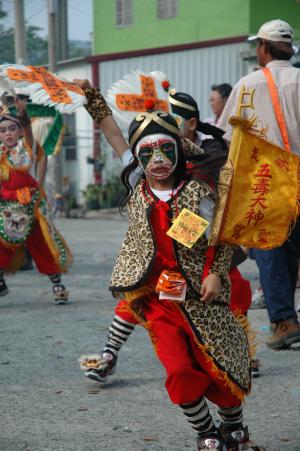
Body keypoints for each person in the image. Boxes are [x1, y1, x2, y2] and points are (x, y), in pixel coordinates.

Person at [76, 80, 261, 451]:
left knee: (218, 367)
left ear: (178, 149)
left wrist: (214, 272)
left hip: (203, 297)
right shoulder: (137, 185)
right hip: (161, 298)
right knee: (178, 369)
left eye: (165, 148)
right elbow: (114, 135)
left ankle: (234, 425)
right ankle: (205, 431)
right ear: (138, 157)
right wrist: (93, 103)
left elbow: (219, 238)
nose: (157, 159)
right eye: (147, 151)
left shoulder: (198, 191)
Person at [218, 19, 300, 350]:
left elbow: (229, 140)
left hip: (268, 180)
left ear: (263, 48)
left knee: (272, 253)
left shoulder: (248, 84)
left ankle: (284, 322)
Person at [0, 98, 72, 303]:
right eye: (3, 130)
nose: (8, 133)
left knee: (40, 243)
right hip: (6, 205)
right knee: (1, 245)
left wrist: (23, 116)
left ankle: (57, 283)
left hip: (30, 205)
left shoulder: (24, 148)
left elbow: (30, 135)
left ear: (20, 131)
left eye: (12, 129)